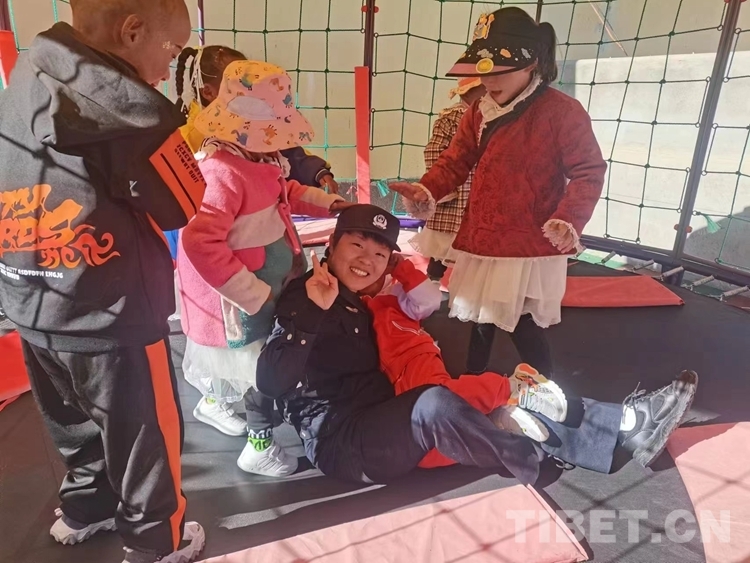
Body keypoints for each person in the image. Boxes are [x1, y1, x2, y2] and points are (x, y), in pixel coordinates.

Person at [256, 204, 698, 487]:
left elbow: (418, 311)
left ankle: (628, 425)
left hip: (389, 415)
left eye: (378, 254)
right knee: (440, 403)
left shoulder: (365, 300)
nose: (365, 261)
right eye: (356, 245)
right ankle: (521, 456)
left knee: (499, 401)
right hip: (346, 444)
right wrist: (311, 314)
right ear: (330, 246)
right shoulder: (307, 298)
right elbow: (271, 383)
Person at [0, 1, 205, 562]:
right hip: (112, 311)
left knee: (71, 421)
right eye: (171, 49)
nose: (169, 67)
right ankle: (156, 541)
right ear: (132, 31)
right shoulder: (131, 109)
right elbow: (183, 203)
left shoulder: (25, 71)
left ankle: (85, 509)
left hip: (31, 298)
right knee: (143, 435)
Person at [391, 8, 608, 378]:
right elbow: (455, 161)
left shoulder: (562, 112)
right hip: (483, 235)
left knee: (520, 319)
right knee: (481, 312)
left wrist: (569, 217)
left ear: (532, 63)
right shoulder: (479, 110)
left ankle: (547, 387)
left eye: (500, 69)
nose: (488, 80)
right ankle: (473, 377)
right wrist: (427, 189)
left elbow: (588, 170)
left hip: (527, 241)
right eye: (484, 69)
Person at [177, 60, 349, 477]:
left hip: (266, 281)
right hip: (240, 300)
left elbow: (285, 191)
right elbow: (199, 241)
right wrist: (251, 292)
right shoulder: (221, 171)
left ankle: (214, 401)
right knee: (260, 368)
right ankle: (259, 446)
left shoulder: (258, 157)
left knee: (239, 367)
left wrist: (327, 203)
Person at [360, 249, 567, 469]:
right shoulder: (351, 304)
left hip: (414, 357)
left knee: (439, 397)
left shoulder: (393, 295)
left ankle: (516, 387)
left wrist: (402, 269)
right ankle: (489, 419)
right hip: (390, 381)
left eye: (378, 258)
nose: (367, 264)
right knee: (424, 456)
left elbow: (430, 300)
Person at [174, 45, 339, 194]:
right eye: (238, 85)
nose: (250, 90)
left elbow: (289, 153)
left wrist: (316, 172)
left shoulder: (253, 121)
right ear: (208, 92)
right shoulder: (186, 139)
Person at [410, 78, 486, 282]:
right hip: (456, 189)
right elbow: (433, 150)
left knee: (473, 243)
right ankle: (432, 281)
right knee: (443, 243)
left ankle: (466, 285)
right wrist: (442, 184)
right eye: (484, 89)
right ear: (470, 92)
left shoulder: (489, 116)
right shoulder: (452, 118)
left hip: (479, 188)